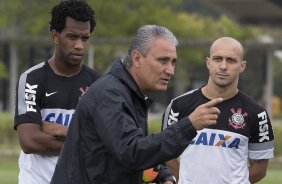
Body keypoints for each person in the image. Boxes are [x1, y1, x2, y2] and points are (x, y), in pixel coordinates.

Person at [50, 24, 223, 184]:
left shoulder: (130, 93)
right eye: (163, 60)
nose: (170, 70)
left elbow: (126, 151)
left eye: (173, 62)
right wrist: (189, 125)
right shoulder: (110, 94)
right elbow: (131, 152)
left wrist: (161, 173)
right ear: (137, 58)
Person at [162, 37, 275, 184]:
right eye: (217, 59)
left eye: (231, 60)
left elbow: (260, 168)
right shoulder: (178, 106)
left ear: (242, 66)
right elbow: (165, 154)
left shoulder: (257, 114)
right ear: (208, 62)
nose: (223, 66)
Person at [14, 1, 101, 184]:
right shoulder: (32, 79)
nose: (79, 45)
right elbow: (30, 141)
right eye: (72, 37)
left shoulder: (99, 84)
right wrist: (83, 140)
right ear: (55, 36)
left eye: (84, 38)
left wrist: (58, 129)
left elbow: (105, 142)